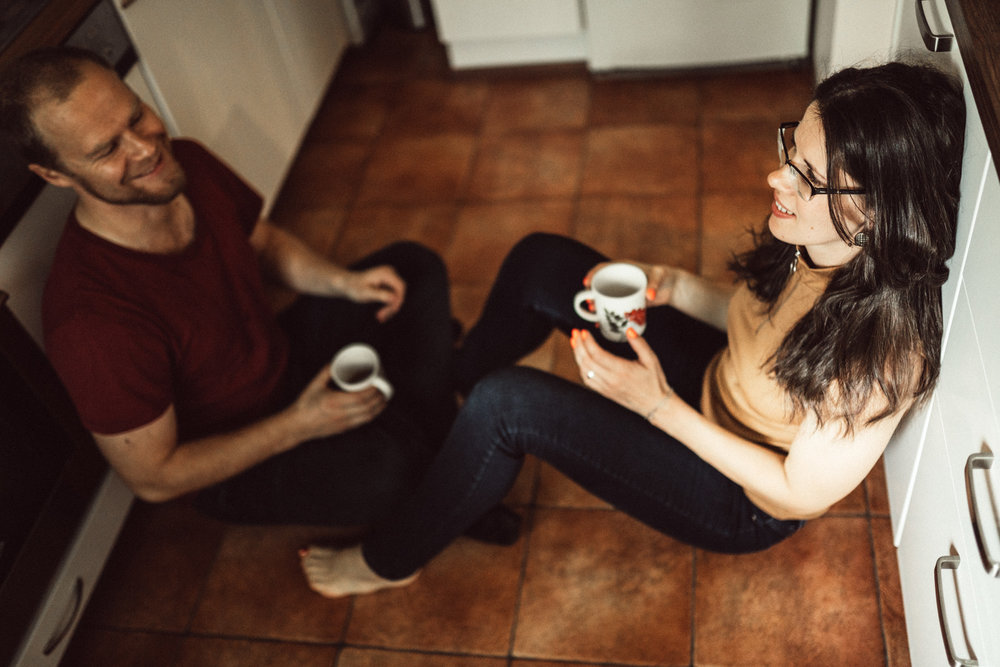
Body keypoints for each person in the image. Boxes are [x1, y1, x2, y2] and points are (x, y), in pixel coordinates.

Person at [298, 60, 966, 597]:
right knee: (541, 261)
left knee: (508, 403)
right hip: (716, 378)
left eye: (807, 177)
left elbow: (796, 492)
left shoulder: (881, 355)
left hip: (739, 492)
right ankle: (445, 417)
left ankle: (390, 559)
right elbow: (756, 320)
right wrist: (676, 285)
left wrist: (659, 408)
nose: (776, 175)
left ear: (876, 214)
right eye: (792, 147)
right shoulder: (820, 244)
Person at [0, 46, 517, 540]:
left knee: (410, 268)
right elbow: (154, 478)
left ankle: (436, 439)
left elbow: (264, 243)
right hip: (232, 454)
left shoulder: (187, 167)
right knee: (390, 464)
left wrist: (346, 283)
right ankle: (437, 460)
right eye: (107, 149)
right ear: (53, 174)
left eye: (135, 115)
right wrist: (299, 425)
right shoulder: (91, 324)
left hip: (281, 358)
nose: (145, 147)